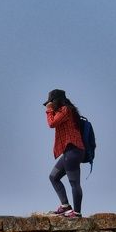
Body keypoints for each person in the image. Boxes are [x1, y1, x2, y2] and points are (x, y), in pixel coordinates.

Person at [45, 89, 84, 218]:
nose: (49, 105)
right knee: (53, 177)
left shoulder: (66, 110)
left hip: (73, 151)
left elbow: (52, 123)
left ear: (56, 101)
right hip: (70, 152)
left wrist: (49, 110)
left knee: (74, 183)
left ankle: (76, 213)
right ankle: (65, 206)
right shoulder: (66, 110)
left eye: (50, 102)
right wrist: (51, 109)